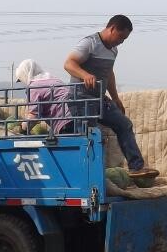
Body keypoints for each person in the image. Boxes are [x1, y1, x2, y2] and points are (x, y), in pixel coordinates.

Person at [64, 14, 157, 177]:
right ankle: (88, 177)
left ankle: (136, 167)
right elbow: (69, 63)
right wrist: (85, 75)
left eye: (125, 39)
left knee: (124, 124)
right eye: (121, 36)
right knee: (90, 135)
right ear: (112, 29)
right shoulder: (90, 43)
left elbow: (109, 74)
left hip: (99, 98)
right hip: (81, 99)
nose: (122, 41)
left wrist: (115, 97)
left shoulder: (113, 50)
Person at [15, 58, 73, 134]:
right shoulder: (54, 79)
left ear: (25, 74)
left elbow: (33, 116)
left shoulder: (34, 87)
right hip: (76, 114)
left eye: (21, 79)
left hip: (64, 121)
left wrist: (23, 128)